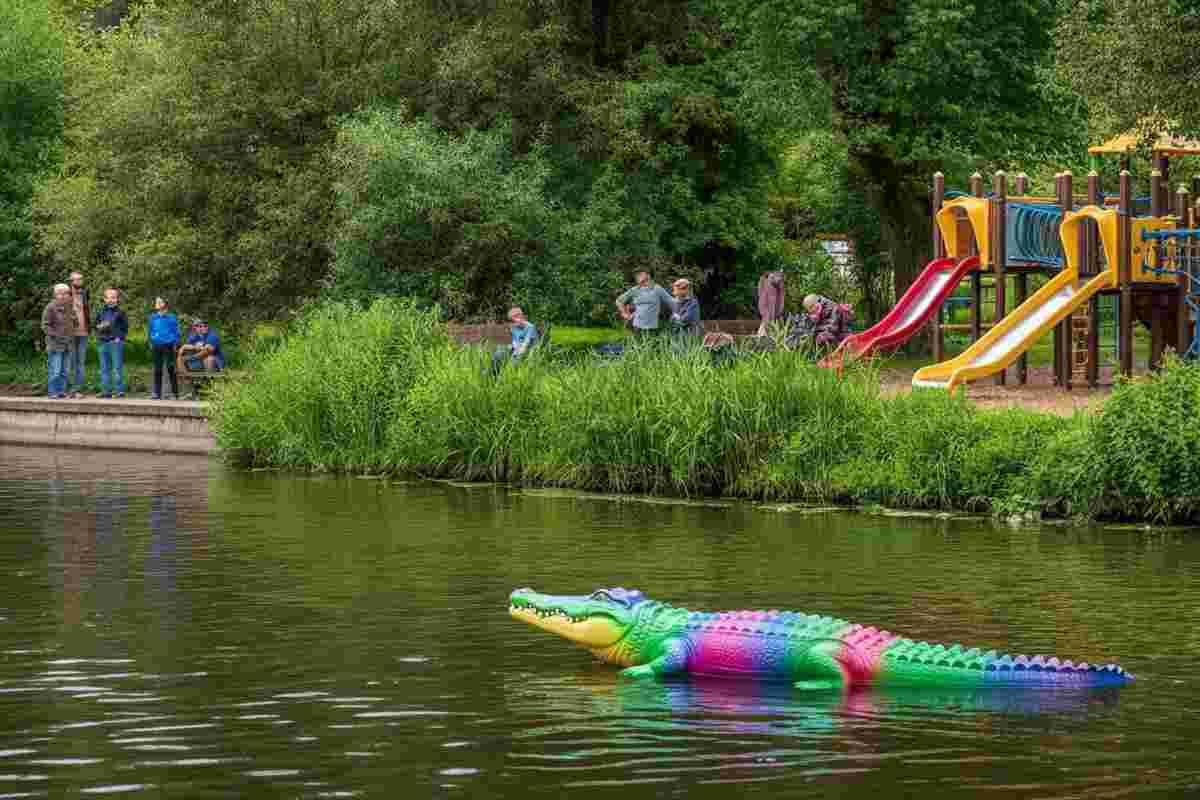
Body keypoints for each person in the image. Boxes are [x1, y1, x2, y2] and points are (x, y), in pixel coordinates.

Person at [41, 284, 77, 399]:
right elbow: (45, 325)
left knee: (65, 371)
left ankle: (61, 391)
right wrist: (56, 335)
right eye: (60, 293)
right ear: (55, 294)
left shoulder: (70, 307)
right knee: (55, 371)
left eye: (66, 293)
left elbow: (75, 324)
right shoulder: (50, 307)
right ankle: (52, 392)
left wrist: (74, 321)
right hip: (55, 345)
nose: (63, 296)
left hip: (68, 344)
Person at [94, 288, 129, 398]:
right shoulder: (100, 312)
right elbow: (95, 325)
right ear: (104, 299)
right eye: (108, 297)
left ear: (117, 299)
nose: (111, 300)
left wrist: (120, 338)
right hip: (103, 342)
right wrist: (100, 329)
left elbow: (125, 327)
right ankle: (106, 391)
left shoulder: (120, 312)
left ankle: (119, 391)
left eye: (113, 297)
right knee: (104, 369)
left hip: (115, 343)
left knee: (117, 368)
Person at [615, 271, 674, 337]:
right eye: (641, 282)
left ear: (649, 277)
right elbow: (619, 301)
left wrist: (680, 310)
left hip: (652, 327)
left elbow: (671, 301)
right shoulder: (635, 290)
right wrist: (624, 313)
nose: (644, 283)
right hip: (636, 325)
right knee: (635, 345)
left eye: (646, 280)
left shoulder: (657, 289)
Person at [786, 294, 853, 350]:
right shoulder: (816, 311)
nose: (810, 311)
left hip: (841, 334)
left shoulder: (834, 309)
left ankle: (839, 349)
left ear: (816, 304)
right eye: (808, 310)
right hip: (829, 333)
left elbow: (832, 328)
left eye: (810, 308)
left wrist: (815, 330)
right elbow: (805, 326)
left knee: (822, 338)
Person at [148, 297, 180, 400]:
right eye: (156, 302)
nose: (157, 303)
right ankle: (157, 393)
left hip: (169, 345)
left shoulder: (171, 317)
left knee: (170, 369)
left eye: (160, 302)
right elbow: (150, 330)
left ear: (165, 304)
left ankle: (174, 393)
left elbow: (176, 332)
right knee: (157, 369)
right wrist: (151, 341)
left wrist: (175, 343)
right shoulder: (153, 317)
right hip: (157, 345)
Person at [490, 306, 538, 375]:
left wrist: (516, 351)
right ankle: (493, 372)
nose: (513, 323)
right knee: (499, 353)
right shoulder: (514, 328)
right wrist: (512, 347)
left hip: (528, 350)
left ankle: (507, 376)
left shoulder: (530, 327)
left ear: (521, 317)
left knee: (515, 359)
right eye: (511, 321)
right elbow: (515, 341)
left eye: (514, 320)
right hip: (517, 348)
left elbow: (526, 344)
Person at [67, 271, 91, 398]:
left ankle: (78, 390)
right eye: (77, 279)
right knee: (71, 362)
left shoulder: (85, 293)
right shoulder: (66, 294)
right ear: (71, 281)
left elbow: (87, 310)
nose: (80, 282)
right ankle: (70, 389)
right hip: (70, 333)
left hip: (83, 332)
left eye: (81, 279)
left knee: (81, 363)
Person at [756, 271, 786, 336]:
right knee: (765, 328)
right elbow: (763, 307)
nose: (779, 279)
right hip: (767, 318)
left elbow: (780, 304)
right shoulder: (765, 285)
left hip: (775, 319)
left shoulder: (780, 286)